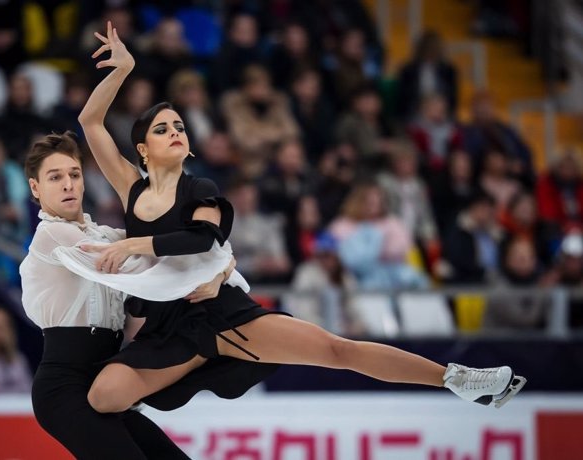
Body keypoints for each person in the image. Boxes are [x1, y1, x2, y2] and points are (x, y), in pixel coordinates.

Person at [75, 22, 526, 413]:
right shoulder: (130, 188)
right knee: (103, 397)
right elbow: (91, 122)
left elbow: (202, 239)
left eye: (179, 127)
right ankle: (196, 363)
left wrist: (132, 245)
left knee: (336, 349)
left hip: (224, 316)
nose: (174, 132)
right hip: (165, 327)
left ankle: (457, 379)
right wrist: (124, 71)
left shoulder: (201, 189)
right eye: (162, 129)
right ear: (142, 150)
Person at [19, 131, 242, 459]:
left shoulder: (109, 236)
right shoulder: (51, 236)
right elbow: (148, 257)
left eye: (74, 174)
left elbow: (207, 244)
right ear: (35, 188)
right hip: (64, 388)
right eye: (55, 177)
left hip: (106, 384)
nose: (68, 184)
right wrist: (175, 248)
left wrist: (219, 270)